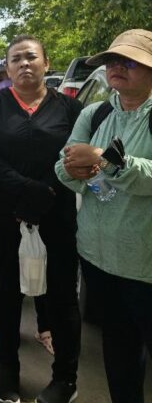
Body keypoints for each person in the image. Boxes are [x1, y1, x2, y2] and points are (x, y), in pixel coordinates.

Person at [0, 35, 82, 403]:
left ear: (46, 63)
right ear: (7, 67)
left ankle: (66, 378)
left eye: (31, 57)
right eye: (15, 58)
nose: (24, 64)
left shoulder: (70, 108)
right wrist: (28, 190)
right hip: (6, 215)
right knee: (7, 293)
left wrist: (47, 190)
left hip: (57, 214)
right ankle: (8, 371)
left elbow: (77, 156)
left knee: (62, 296)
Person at [55, 28, 152, 403]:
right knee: (120, 354)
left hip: (145, 265)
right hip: (99, 260)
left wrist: (106, 162)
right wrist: (77, 171)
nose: (117, 67)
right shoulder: (96, 112)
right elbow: (63, 166)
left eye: (130, 61)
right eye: (113, 60)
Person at [0, 59, 54, 356]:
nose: (9, 79)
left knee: (44, 266)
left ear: (45, 64)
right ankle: (7, 335)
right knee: (7, 276)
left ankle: (47, 327)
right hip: (3, 201)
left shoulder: (57, 107)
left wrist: (41, 190)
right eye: (2, 76)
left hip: (45, 201)